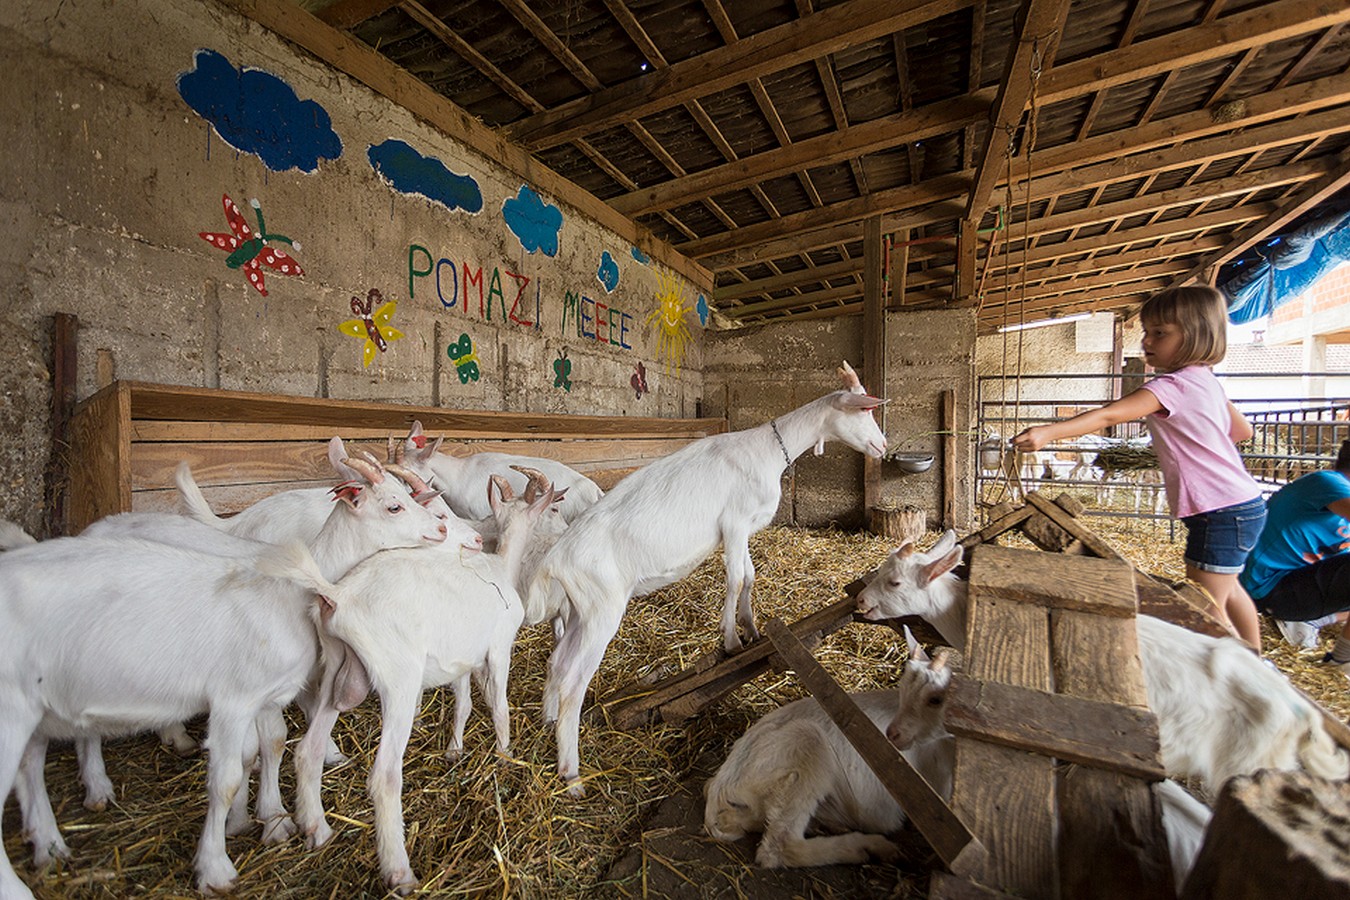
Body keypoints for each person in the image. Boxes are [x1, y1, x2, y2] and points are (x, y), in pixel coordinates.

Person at [1012, 286, 1266, 648]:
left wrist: (1048, 433)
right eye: (1147, 331)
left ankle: (1237, 671)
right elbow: (1242, 431)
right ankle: (1256, 659)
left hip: (1218, 510)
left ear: (1195, 335)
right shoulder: (1205, 380)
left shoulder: (1171, 385)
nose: (1146, 341)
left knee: (1205, 607)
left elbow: (1110, 414)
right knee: (1230, 590)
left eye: (1160, 333)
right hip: (1243, 503)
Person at [1240, 440, 1350, 668]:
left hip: (1300, 586)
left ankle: (1316, 620)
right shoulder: (1327, 482)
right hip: (1270, 589)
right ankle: (1341, 661)